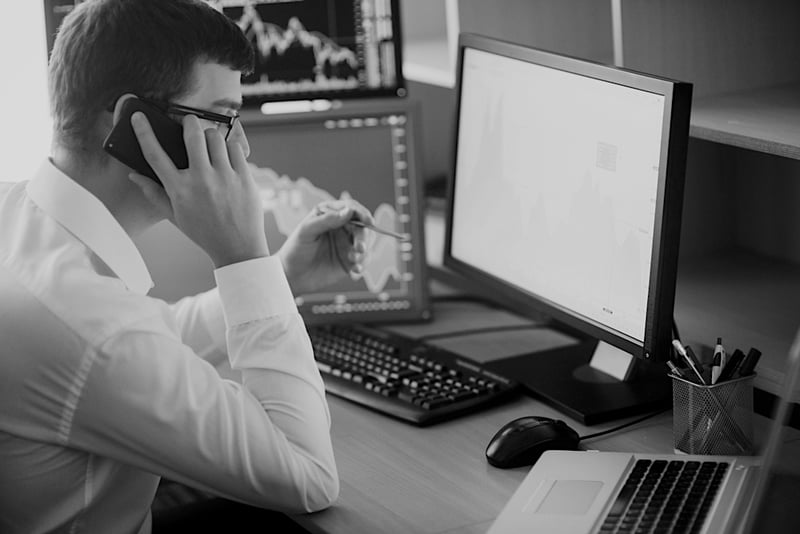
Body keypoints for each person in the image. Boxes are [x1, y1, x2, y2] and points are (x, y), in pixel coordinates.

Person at [0, 0, 375, 532]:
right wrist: (243, 256)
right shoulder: (91, 330)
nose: (239, 147)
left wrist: (278, 276)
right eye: (221, 118)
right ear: (134, 124)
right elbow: (310, 477)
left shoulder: (19, 221)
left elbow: (145, 346)